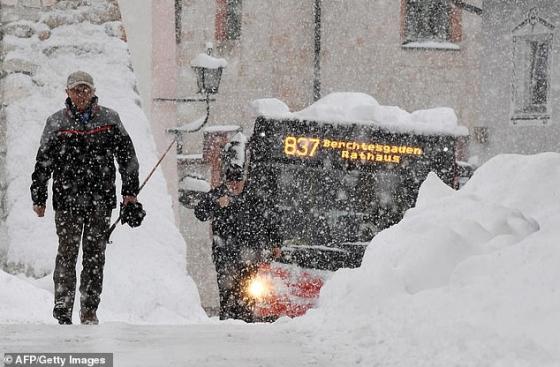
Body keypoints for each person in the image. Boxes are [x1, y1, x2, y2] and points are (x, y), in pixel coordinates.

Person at [30, 71, 140, 325]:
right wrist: (39, 195)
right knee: (67, 253)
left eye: (85, 89)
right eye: (76, 90)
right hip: (67, 201)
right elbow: (43, 161)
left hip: (100, 202)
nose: (81, 94)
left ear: (93, 92)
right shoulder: (56, 123)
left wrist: (129, 192)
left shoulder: (110, 120)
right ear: (67, 92)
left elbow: (127, 159)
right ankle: (63, 305)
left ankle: (89, 308)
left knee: (94, 255)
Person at [194, 161, 281, 321]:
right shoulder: (217, 195)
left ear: (243, 181)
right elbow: (199, 212)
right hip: (225, 256)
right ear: (225, 182)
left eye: (238, 182)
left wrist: (275, 242)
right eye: (231, 182)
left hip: (250, 256)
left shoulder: (253, 197)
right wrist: (216, 205)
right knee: (227, 295)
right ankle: (227, 324)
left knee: (249, 295)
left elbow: (270, 219)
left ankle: (246, 323)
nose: (234, 185)